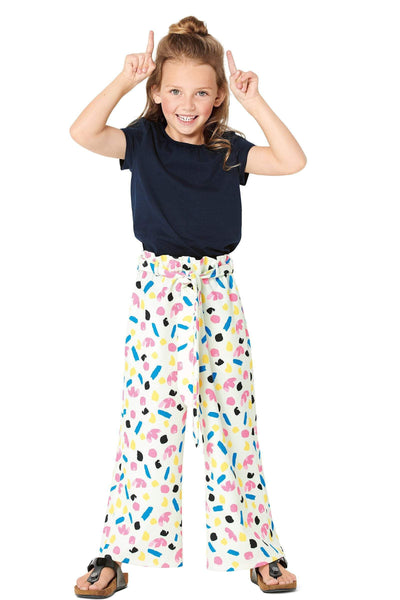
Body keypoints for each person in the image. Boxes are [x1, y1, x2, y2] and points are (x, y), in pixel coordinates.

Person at [70, 15, 305, 597]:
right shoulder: (142, 142)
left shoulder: (228, 150)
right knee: (148, 424)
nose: (187, 104)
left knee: (232, 422)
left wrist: (256, 100)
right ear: (157, 92)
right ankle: (117, 552)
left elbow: (292, 160)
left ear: (218, 96)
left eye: (201, 92)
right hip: (159, 294)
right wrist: (124, 80)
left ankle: (258, 550)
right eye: (174, 90)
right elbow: (83, 132)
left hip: (218, 293)